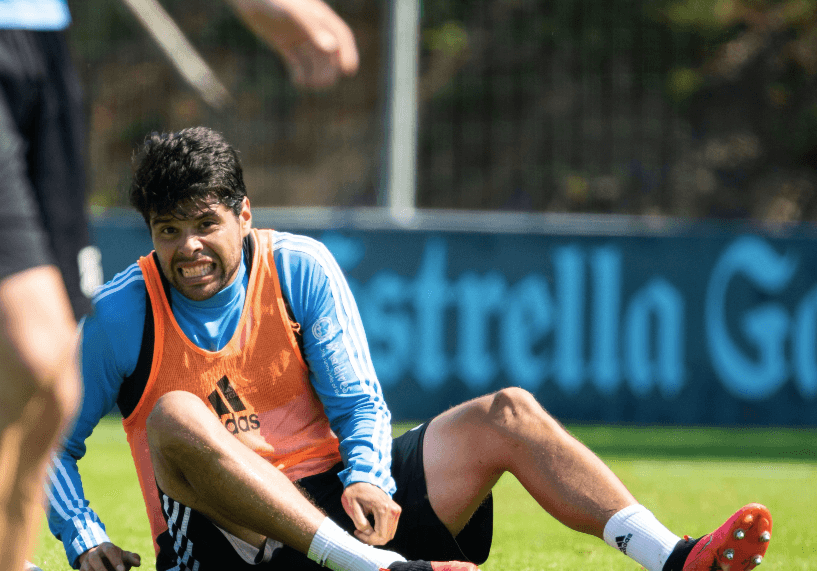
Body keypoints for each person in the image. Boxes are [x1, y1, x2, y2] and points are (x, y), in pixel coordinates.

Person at [48, 126, 774, 571]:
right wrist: (83, 536)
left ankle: (677, 557)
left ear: (244, 213)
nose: (188, 247)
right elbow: (46, 441)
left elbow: (360, 400)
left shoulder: (299, 267)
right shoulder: (122, 311)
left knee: (509, 411)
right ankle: (370, 568)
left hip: (344, 512)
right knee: (174, 414)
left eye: (204, 224)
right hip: (230, 544)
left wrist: (369, 477)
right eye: (167, 229)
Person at [0, 1, 360, 570]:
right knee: (18, 354)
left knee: (50, 388)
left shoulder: (299, 264)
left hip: (37, 38)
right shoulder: (131, 303)